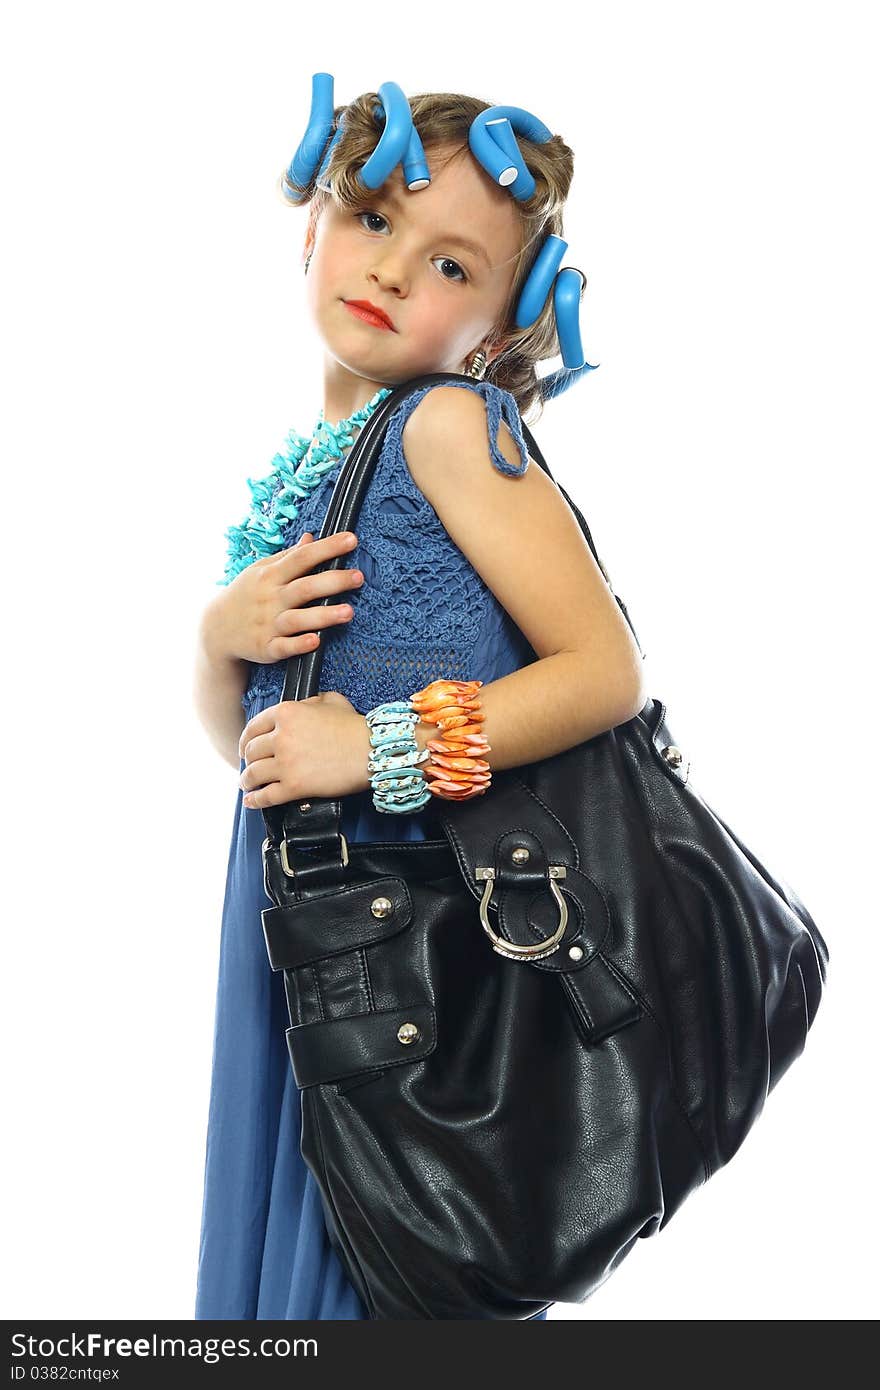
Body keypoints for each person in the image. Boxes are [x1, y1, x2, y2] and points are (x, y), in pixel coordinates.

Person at [192, 79, 647, 1320]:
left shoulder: (449, 424)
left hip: (412, 922)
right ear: (310, 227)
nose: (390, 269)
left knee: (379, 1265)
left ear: (502, 325)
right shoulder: (323, 459)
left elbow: (604, 674)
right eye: (373, 218)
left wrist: (380, 746)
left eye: (449, 262)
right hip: (306, 907)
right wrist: (217, 645)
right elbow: (267, 753)